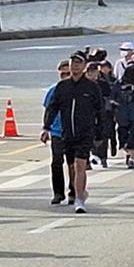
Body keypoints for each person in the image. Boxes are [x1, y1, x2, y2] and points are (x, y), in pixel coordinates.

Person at [41, 52, 104, 214]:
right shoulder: (63, 87)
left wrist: (100, 133)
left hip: (85, 133)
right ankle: (78, 190)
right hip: (67, 133)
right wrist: (46, 127)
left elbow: (100, 111)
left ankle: (79, 199)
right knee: (71, 166)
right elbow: (53, 107)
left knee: (80, 164)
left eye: (78, 63)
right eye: (73, 63)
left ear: (84, 66)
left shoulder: (91, 87)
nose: (75, 66)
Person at [43, 60, 74, 204]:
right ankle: (58, 192)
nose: (65, 76)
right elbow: (48, 110)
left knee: (72, 163)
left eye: (67, 73)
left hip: (73, 131)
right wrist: (45, 128)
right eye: (62, 74)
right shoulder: (53, 90)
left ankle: (74, 191)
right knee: (56, 162)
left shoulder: (77, 89)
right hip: (57, 132)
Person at [114, 65, 134, 170]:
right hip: (122, 114)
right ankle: (127, 152)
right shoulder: (118, 84)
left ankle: (131, 157)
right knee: (122, 136)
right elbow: (112, 98)